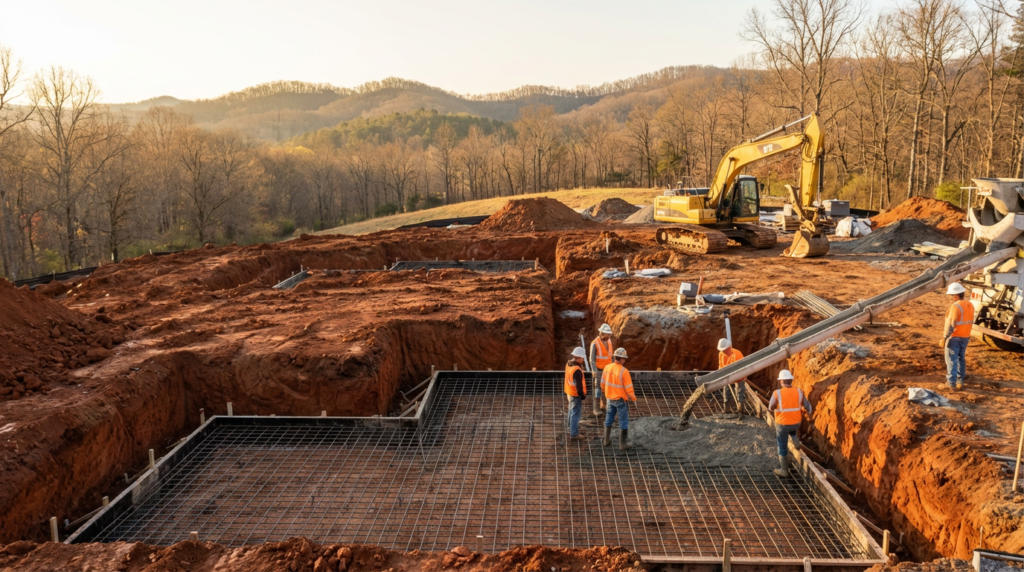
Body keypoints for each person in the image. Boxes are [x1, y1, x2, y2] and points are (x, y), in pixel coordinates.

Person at [768, 369, 812, 477]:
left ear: (781, 381)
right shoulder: (799, 392)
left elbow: (770, 407)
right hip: (796, 423)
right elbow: (808, 407)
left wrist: (774, 408)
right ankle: (794, 438)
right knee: (792, 430)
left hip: (782, 424)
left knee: (782, 445)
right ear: (791, 381)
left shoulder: (777, 393)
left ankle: (784, 470)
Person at [602, 347, 636, 450]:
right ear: (621, 359)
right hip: (620, 400)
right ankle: (623, 444)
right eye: (624, 358)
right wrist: (633, 398)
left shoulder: (607, 368)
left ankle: (606, 441)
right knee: (623, 421)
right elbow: (629, 388)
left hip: (609, 399)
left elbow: (602, 384)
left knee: (609, 419)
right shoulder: (624, 371)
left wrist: (606, 392)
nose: (624, 360)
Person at [942, 282, 973, 390]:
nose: (951, 297)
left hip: (954, 337)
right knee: (961, 358)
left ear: (956, 295)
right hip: (966, 336)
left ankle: (951, 383)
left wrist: (945, 337)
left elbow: (951, 324)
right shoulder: (970, 305)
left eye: (952, 295)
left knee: (951, 360)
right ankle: (960, 381)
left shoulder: (955, 307)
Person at [589, 323, 614, 417]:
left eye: (610, 335)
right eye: (608, 335)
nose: (609, 336)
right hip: (599, 370)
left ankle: (604, 405)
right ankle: (596, 409)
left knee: (606, 389)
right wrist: (594, 371)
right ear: (602, 333)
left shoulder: (609, 341)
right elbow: (592, 359)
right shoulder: (595, 343)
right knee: (598, 390)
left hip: (608, 370)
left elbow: (611, 356)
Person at [564, 347, 589, 441]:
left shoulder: (568, 364)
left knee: (571, 410)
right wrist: (582, 395)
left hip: (569, 392)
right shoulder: (577, 370)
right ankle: (574, 434)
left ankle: (570, 426)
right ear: (578, 357)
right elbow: (579, 386)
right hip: (575, 394)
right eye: (583, 358)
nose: (583, 359)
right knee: (575, 413)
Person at [717, 338, 746, 414]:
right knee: (726, 391)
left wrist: (732, 378)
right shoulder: (721, 354)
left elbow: (740, 369)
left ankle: (740, 410)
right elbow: (721, 367)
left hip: (739, 376)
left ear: (729, 347)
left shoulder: (737, 354)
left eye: (725, 350)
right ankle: (726, 409)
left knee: (740, 392)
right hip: (727, 376)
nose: (724, 352)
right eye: (723, 350)